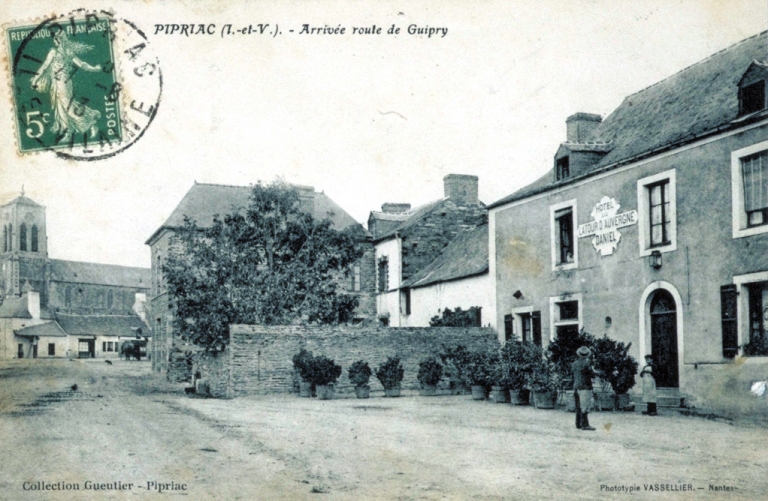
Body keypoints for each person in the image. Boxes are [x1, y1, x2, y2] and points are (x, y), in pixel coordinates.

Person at [30, 30, 102, 141]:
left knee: (66, 106)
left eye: (55, 38)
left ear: (58, 40)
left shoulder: (53, 52)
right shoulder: (68, 51)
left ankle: (90, 121)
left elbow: (44, 67)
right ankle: (67, 131)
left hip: (61, 83)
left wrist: (35, 80)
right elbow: (82, 64)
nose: (54, 40)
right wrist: (94, 68)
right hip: (64, 82)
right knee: (62, 105)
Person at [571, 346, 596, 431]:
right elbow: (591, 374)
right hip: (585, 386)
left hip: (576, 386)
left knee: (578, 406)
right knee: (585, 405)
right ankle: (585, 424)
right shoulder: (587, 363)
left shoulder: (574, 363)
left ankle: (578, 423)